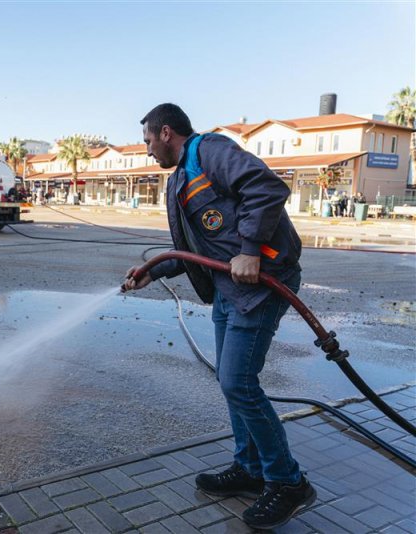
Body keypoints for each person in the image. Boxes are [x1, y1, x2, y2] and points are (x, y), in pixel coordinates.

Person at [123, 103, 315, 530]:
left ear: (166, 132)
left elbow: (266, 188)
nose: (148, 150)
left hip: (263, 284)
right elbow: (196, 250)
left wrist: (249, 250)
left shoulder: (209, 151)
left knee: (238, 382)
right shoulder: (180, 179)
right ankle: (249, 468)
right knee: (232, 384)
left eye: (148, 141)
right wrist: (152, 271)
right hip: (230, 290)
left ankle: (288, 482)